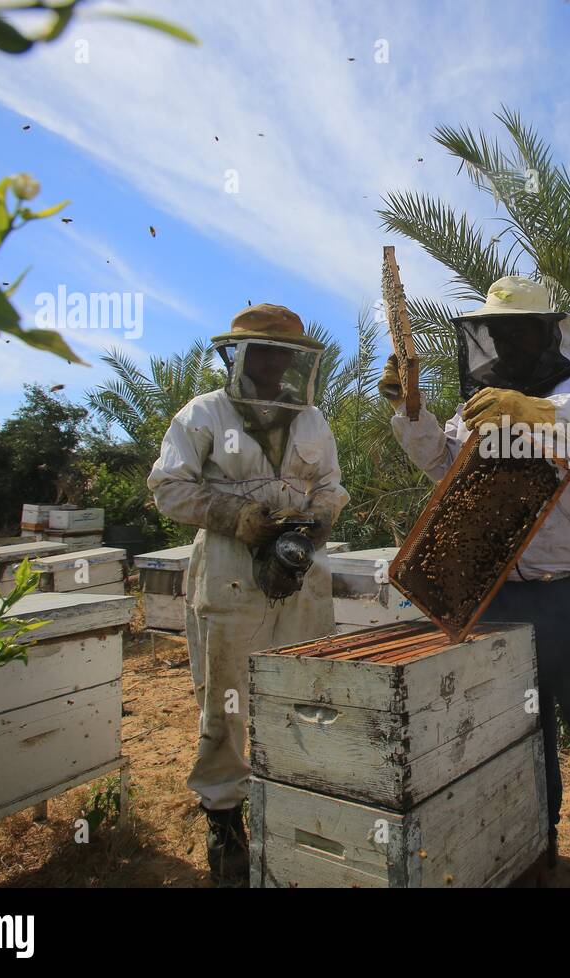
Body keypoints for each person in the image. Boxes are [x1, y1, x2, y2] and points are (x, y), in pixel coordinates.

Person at [379, 275, 570, 886]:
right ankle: (540, 844)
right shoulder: (484, 401)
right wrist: (411, 411)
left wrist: (536, 410)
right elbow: (441, 463)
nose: (509, 346)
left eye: (521, 332)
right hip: (506, 589)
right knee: (523, 725)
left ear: (550, 332)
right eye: (498, 334)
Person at [148, 303, 349, 885]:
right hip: (231, 571)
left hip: (302, 570)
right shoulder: (204, 413)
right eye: (261, 348)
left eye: (282, 350)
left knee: (307, 685)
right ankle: (224, 814)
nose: (273, 359)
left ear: (296, 359)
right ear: (239, 353)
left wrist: (314, 523)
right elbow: (167, 486)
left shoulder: (312, 419)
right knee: (228, 696)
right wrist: (236, 515)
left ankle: (297, 795)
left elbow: (332, 487)